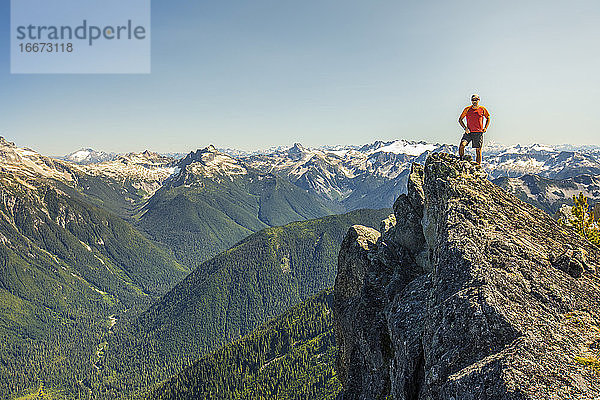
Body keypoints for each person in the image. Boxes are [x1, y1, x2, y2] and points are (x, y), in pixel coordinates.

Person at [458, 94, 490, 165]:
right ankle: (461, 160)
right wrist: (465, 128)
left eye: (476, 100)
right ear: (471, 101)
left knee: (478, 150)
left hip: (478, 133)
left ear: (479, 100)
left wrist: (485, 128)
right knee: (462, 145)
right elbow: (460, 119)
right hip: (468, 132)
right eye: (473, 100)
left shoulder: (482, 109)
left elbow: (488, 117)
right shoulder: (467, 109)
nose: (474, 101)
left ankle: (478, 166)